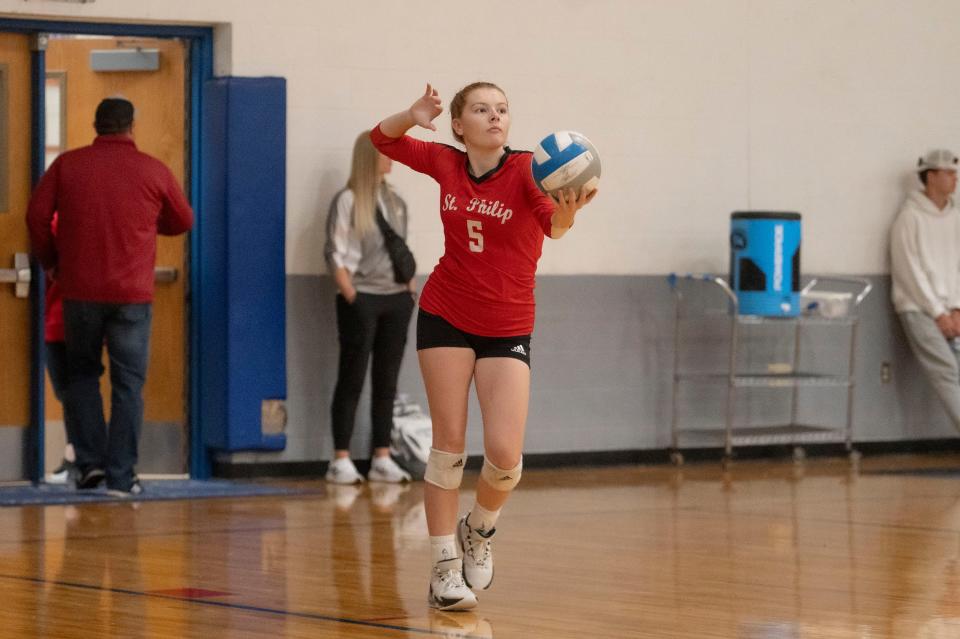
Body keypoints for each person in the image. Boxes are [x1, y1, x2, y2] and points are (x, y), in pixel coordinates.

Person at [371, 82, 597, 610]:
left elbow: (553, 229)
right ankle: (444, 568)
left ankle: (480, 528)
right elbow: (380, 142)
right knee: (448, 448)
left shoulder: (528, 170)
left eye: (501, 109)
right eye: (481, 109)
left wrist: (567, 212)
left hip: (507, 323)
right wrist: (411, 114)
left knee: (504, 456)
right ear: (458, 124)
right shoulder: (447, 164)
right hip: (445, 312)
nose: (494, 117)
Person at [27, 97, 194, 496]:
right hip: (133, 297)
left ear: (96, 125)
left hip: (79, 292)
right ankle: (122, 476)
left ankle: (90, 467)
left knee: (82, 377)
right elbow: (182, 219)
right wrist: (143, 225)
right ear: (131, 126)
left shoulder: (68, 165)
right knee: (128, 385)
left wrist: (53, 262)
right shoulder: (152, 169)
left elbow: (36, 216)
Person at [323, 131, 417, 485]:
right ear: (368, 157)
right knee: (352, 377)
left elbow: (400, 248)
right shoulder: (347, 200)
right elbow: (334, 249)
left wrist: (408, 290)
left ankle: (382, 455)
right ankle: (340, 459)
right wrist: (350, 292)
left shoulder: (397, 201)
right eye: (385, 152)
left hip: (396, 298)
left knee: (387, 380)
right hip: (361, 298)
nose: (392, 156)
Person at [890, 149, 960, 430]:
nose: (955, 178)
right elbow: (910, 271)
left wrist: (955, 307)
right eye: (949, 173)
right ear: (931, 176)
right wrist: (937, 311)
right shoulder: (909, 218)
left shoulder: (955, 217)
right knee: (946, 373)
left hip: (951, 310)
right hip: (918, 309)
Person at [44, 213, 77, 485]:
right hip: (73, 316)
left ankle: (76, 456)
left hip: (61, 318)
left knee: (71, 392)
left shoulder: (57, 222)